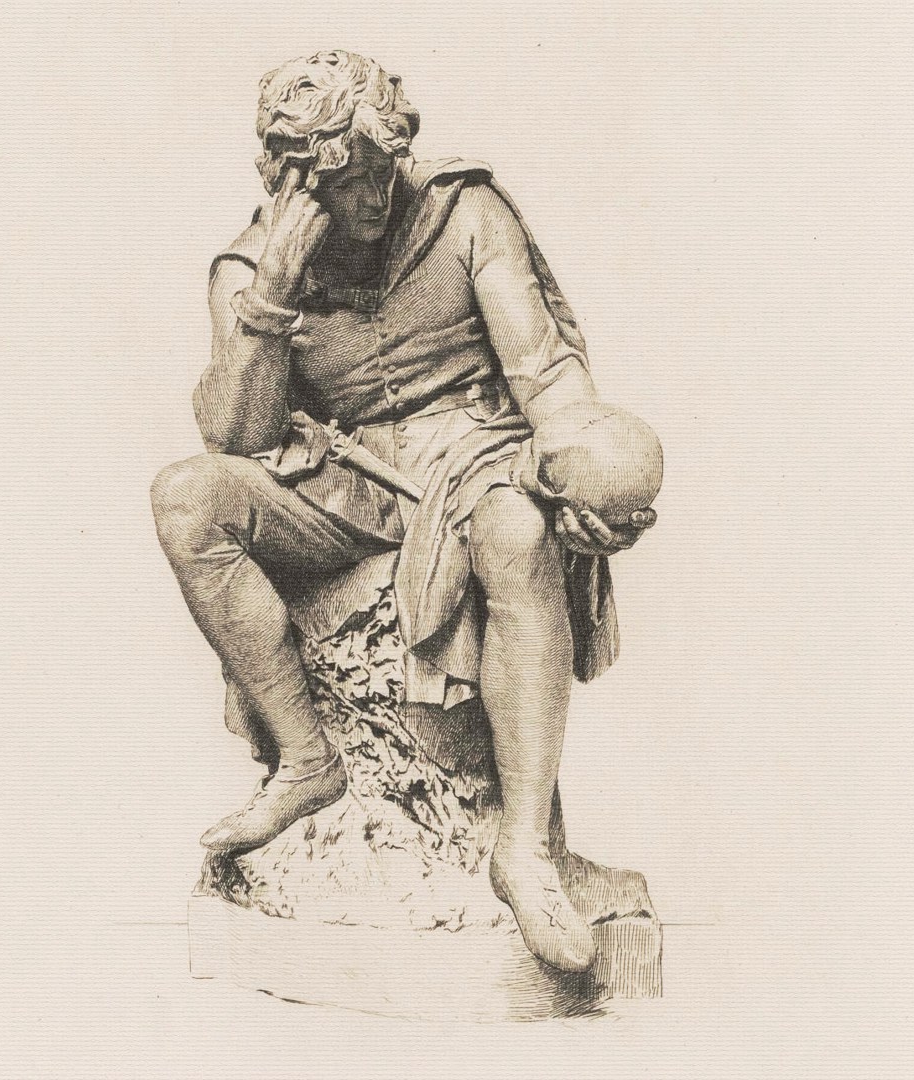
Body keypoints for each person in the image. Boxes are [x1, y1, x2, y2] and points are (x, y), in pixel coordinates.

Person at [151, 50, 661, 973]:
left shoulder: (465, 213)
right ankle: (307, 762)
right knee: (187, 499)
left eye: (382, 168)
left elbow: (545, 374)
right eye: (348, 182)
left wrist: (583, 472)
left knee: (516, 531)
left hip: (480, 456)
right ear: (296, 184)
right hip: (346, 483)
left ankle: (524, 850)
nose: (375, 196)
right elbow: (239, 437)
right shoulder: (249, 270)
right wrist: (273, 296)